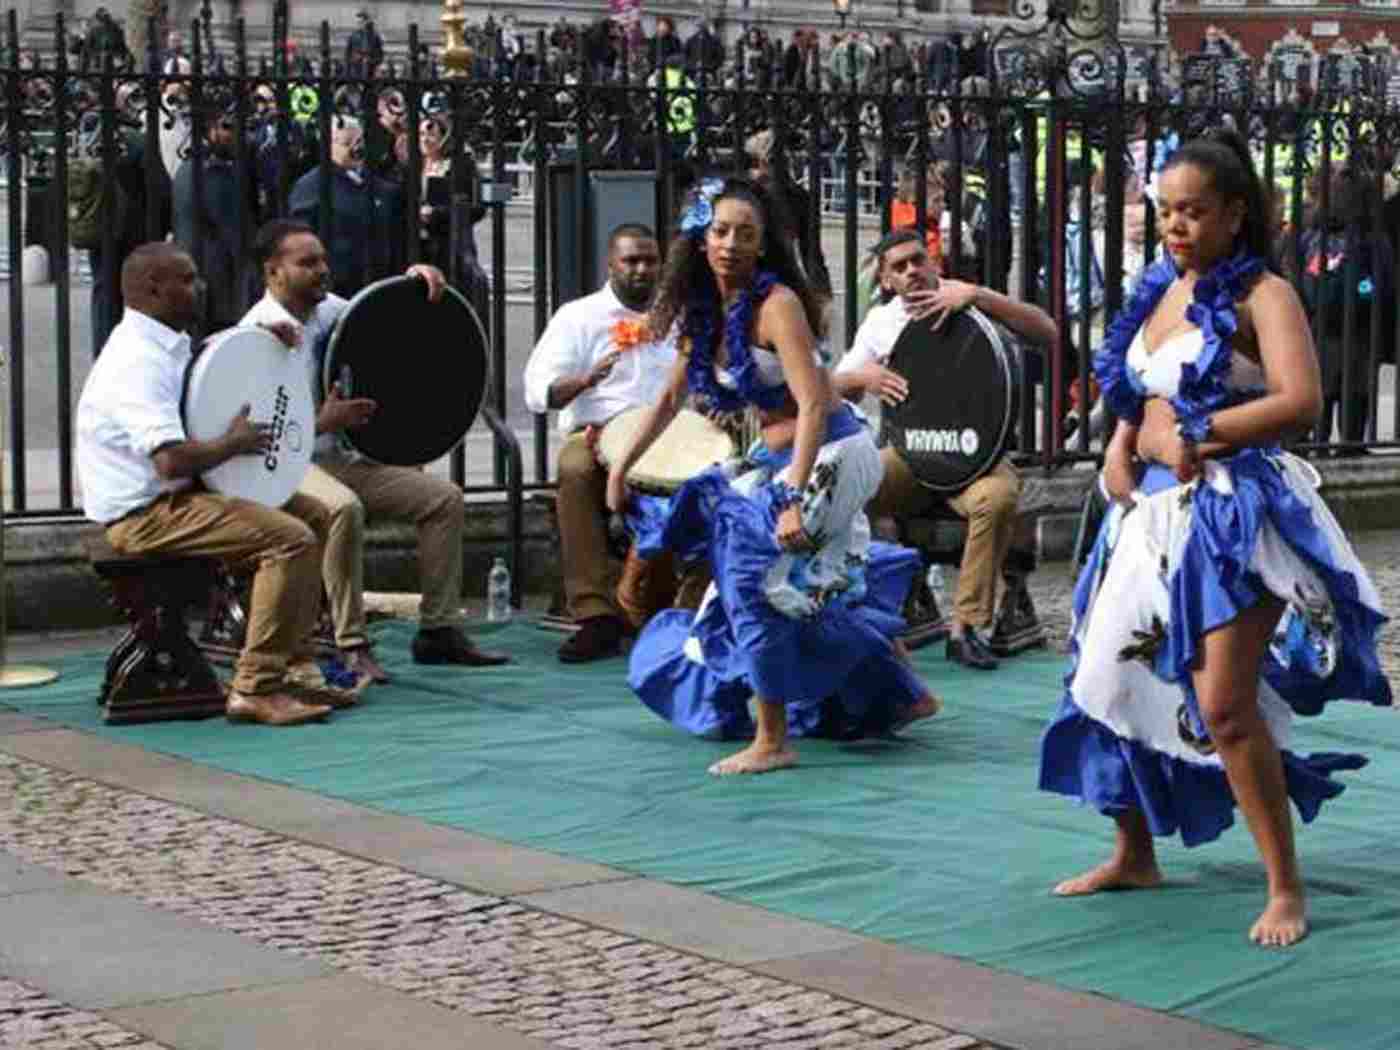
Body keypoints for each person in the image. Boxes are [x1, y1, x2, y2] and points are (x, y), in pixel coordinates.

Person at [1039, 128, 1391, 947]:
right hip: (1145, 518)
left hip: (1232, 515)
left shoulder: (1262, 293)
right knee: (1104, 676)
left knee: (1225, 706)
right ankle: (1133, 853)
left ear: (1236, 214)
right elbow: (1135, 389)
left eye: (1193, 212)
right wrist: (1126, 447)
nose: (1175, 227)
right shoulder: (1157, 286)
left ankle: (1284, 885)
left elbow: (1300, 400)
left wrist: (1192, 436)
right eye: (1165, 211)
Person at [606, 177, 941, 776]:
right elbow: (667, 399)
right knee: (776, 589)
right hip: (773, 461)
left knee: (752, 579)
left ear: (763, 245)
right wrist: (623, 468)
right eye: (721, 231)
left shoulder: (777, 304)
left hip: (832, 455)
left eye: (746, 234)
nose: (732, 243)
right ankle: (902, 691)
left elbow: (814, 404)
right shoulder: (705, 310)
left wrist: (790, 497)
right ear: (701, 239)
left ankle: (773, 738)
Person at [76, 242, 341, 727]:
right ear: (154, 288)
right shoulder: (136, 363)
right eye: (188, 278)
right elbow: (171, 461)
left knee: (313, 515)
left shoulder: (162, 341)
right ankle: (255, 687)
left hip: (175, 500)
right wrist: (233, 443)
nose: (199, 286)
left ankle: (295, 665)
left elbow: (202, 369)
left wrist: (256, 338)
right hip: (145, 514)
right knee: (290, 540)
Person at [241, 220, 510, 680]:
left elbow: (385, 317)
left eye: (323, 260)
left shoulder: (328, 313)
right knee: (343, 508)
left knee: (442, 499)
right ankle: (351, 641)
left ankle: (438, 629)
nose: (322, 270)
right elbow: (254, 431)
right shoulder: (254, 335)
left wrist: (418, 277)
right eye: (307, 263)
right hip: (285, 468)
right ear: (273, 272)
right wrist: (321, 421)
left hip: (342, 460)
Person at [834, 229, 1057, 670]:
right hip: (912, 456)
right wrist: (865, 378)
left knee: (996, 499)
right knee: (847, 486)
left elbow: (1046, 332)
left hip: (977, 460)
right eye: (899, 267)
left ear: (932, 262)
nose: (912, 271)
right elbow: (833, 386)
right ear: (885, 280)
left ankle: (966, 627)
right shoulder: (882, 321)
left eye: (918, 260)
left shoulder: (968, 301)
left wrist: (979, 295)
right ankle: (869, 608)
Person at [523, 224, 678, 663]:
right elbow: (540, 389)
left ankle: (664, 607)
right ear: (611, 265)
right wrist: (584, 381)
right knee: (574, 470)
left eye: (650, 260)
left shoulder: (676, 316)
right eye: (631, 260)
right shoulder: (579, 317)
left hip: (664, 435)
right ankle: (595, 615)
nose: (641, 269)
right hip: (595, 433)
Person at [288, 117, 405, 298]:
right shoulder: (310, 186)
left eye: (358, 141)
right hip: (336, 287)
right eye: (347, 143)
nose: (356, 149)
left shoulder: (379, 185)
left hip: (380, 282)